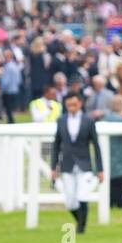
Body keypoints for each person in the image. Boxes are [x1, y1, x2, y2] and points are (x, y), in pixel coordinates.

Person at [50, 92, 104, 233]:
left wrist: (100, 169)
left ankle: (81, 228)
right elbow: (56, 145)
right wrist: (53, 167)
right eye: (68, 105)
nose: (71, 107)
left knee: (82, 195)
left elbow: (96, 146)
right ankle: (79, 221)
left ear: (80, 103)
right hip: (67, 164)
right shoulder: (61, 121)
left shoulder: (88, 121)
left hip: (84, 164)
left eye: (74, 104)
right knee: (70, 201)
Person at [102, 94, 122, 209]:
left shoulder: (105, 118)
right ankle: (120, 204)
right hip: (121, 156)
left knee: (111, 181)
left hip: (109, 156)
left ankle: (111, 203)